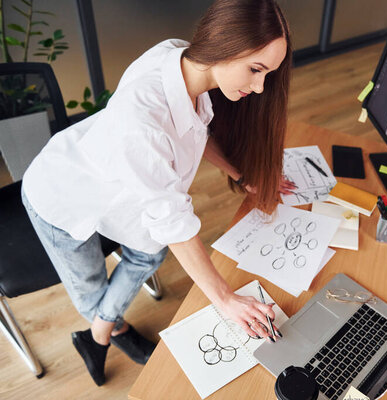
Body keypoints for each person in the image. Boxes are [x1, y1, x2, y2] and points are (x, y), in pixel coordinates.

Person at [21, 0, 295, 386]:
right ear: (223, 44)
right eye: (255, 69)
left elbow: (197, 131)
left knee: (150, 251)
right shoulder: (143, 120)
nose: (260, 86)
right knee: (90, 291)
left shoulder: (180, 59)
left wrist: (240, 172)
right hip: (62, 198)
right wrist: (226, 300)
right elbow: (174, 220)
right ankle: (103, 334)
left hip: (113, 178)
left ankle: (99, 334)